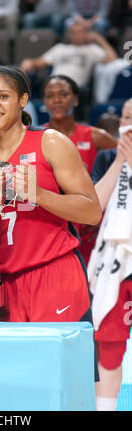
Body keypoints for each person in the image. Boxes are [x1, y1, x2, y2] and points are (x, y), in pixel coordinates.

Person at [0, 65, 102, 328]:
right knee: (17, 369)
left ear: (23, 100)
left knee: (64, 368)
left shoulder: (50, 141)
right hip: (5, 283)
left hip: (54, 275)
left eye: (3, 96)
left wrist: (39, 195)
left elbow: (92, 211)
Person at [41, 74, 117, 265]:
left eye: (63, 94)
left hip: (89, 231)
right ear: (44, 102)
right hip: (52, 230)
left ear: (75, 100)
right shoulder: (36, 138)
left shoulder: (96, 137)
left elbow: (124, 166)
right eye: (50, 96)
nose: (57, 100)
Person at [87, 98, 132, 411]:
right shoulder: (105, 158)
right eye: (128, 116)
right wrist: (120, 163)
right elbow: (93, 208)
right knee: (110, 346)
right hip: (115, 264)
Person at [21, 22, 118, 91]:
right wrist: (30, 62)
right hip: (53, 84)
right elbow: (40, 62)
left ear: (86, 34)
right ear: (69, 35)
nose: (77, 35)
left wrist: (99, 39)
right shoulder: (60, 48)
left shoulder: (92, 49)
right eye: (74, 33)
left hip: (75, 88)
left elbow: (113, 59)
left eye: (80, 32)